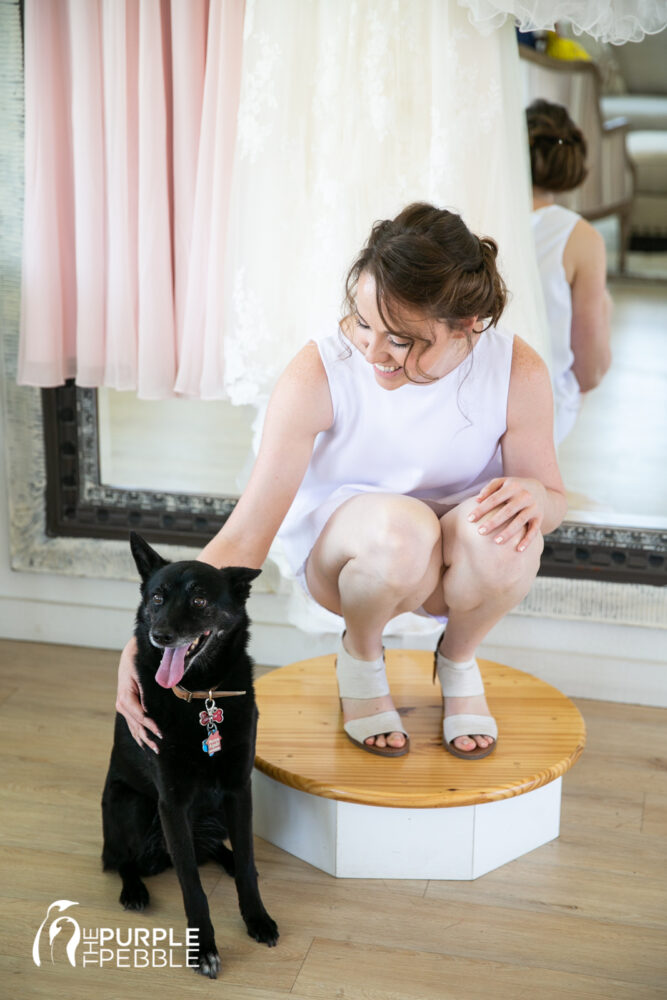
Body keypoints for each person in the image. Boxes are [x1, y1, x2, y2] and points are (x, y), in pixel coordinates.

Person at [116, 202, 567, 761]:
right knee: (404, 528)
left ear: (468, 325)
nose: (372, 352)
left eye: (400, 339)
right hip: (354, 562)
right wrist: (145, 637)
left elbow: (551, 500)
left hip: (455, 570)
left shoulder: (516, 370)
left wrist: (536, 498)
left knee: (511, 535)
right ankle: (360, 654)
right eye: (361, 321)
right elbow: (246, 533)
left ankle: (458, 658)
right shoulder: (318, 372)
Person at [527, 99, 612, 444]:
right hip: (540, 407)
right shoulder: (581, 237)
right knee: (602, 302)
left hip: (462, 397)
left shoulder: (472, 215)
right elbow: (589, 371)